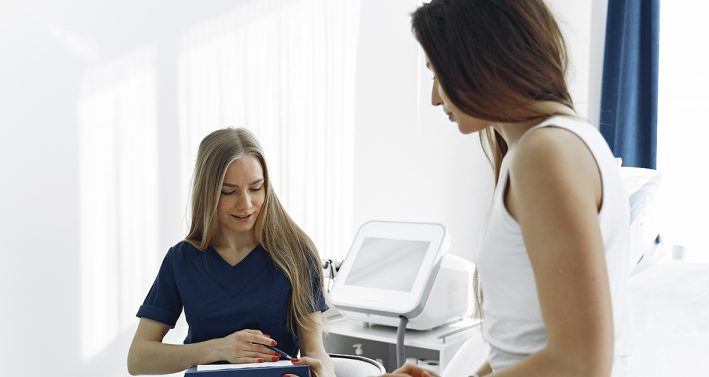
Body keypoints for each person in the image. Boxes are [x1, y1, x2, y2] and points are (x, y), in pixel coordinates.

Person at [298, 0, 632, 376]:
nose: (435, 97)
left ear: (481, 60)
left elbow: (581, 361)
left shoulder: (546, 153)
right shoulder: (549, 146)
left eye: (438, 74)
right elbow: (523, 343)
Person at [127, 128, 334, 376]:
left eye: (256, 188)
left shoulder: (296, 254)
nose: (245, 204)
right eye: (229, 191)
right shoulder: (181, 259)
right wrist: (219, 349)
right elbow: (138, 359)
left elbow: (315, 352)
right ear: (208, 191)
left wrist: (322, 373)